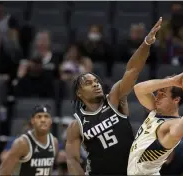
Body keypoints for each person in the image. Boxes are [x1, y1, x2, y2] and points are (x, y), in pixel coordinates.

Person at [65, 17, 163, 175]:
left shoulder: (114, 99)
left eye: (96, 81)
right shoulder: (76, 125)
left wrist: (146, 43)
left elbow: (132, 70)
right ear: (79, 93)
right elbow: (72, 160)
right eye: (89, 83)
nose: (96, 84)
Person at [127, 71, 183, 175]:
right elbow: (138, 89)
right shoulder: (155, 110)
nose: (157, 97)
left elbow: (177, 132)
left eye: (163, 95)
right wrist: (171, 81)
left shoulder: (171, 124)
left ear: (176, 99)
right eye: (158, 93)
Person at [0, 105, 58, 176]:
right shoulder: (22, 143)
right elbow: (3, 172)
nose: (43, 120)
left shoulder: (54, 142)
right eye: (39, 117)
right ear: (32, 120)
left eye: (46, 116)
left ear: (50, 121)